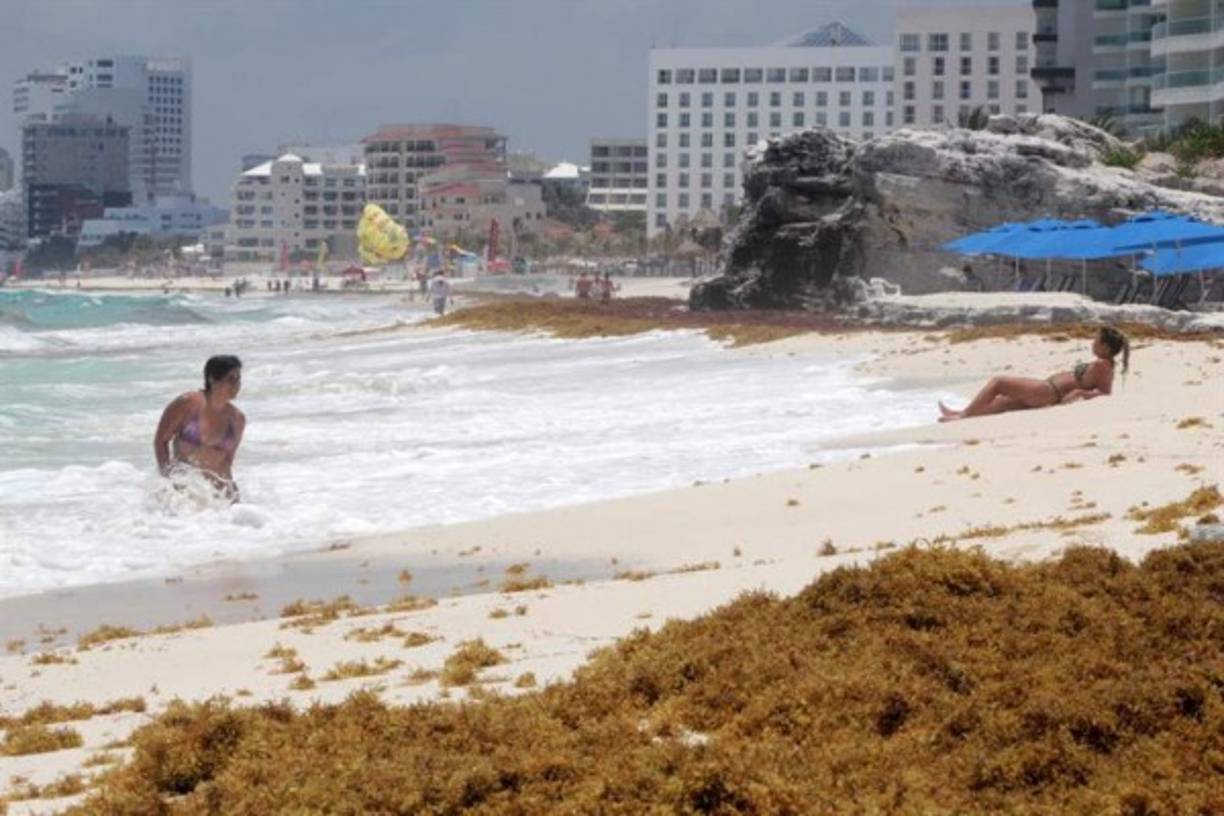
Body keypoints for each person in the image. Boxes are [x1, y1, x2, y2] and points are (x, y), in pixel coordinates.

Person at [939, 327, 1130, 422]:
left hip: (1047, 392)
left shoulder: (1102, 365)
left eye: (1095, 341)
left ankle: (963, 415)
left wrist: (1081, 394)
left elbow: (1105, 394)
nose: (1092, 344)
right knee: (1003, 403)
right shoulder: (1104, 364)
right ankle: (961, 415)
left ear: (1105, 347)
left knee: (998, 383)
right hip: (1047, 391)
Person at [154, 355, 246, 500]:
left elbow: (227, 462)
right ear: (212, 379)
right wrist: (169, 480)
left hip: (221, 495)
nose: (236, 384)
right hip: (184, 490)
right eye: (231, 379)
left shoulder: (237, 419)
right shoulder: (188, 403)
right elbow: (161, 441)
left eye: (238, 379)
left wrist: (227, 496)